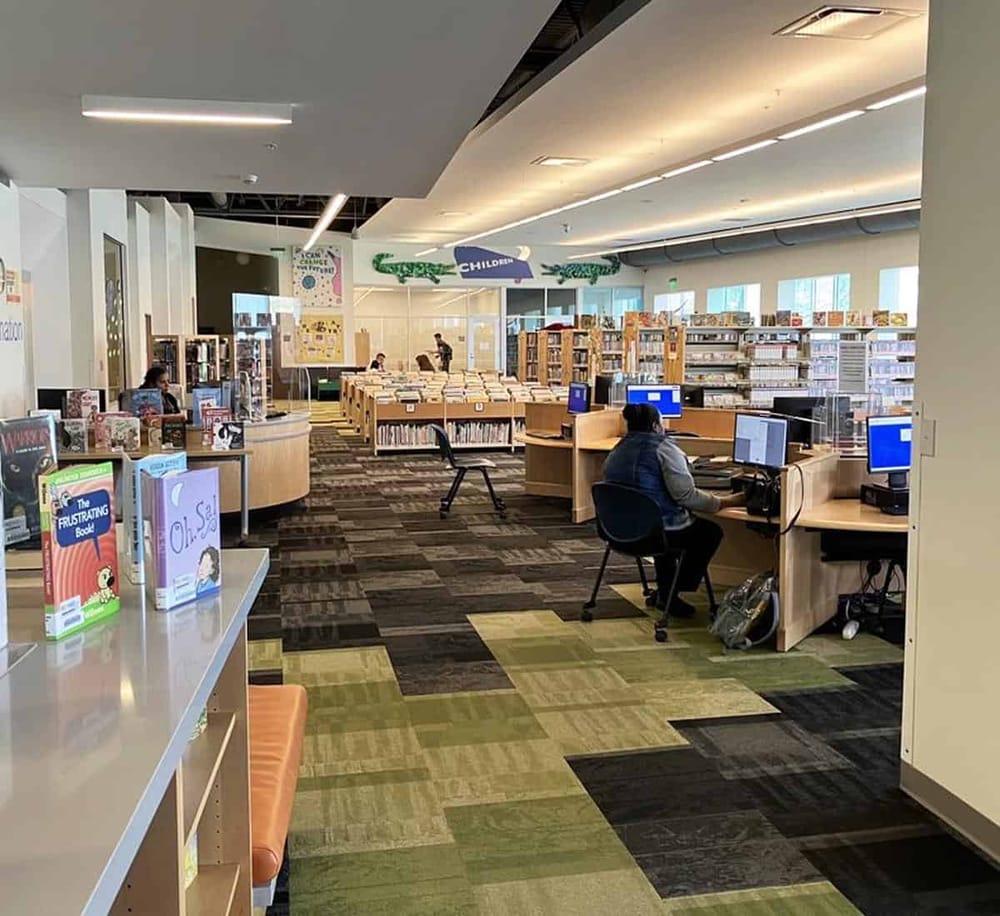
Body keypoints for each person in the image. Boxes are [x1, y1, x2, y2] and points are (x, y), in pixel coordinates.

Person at [603, 402, 745, 618]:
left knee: (662, 524)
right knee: (708, 532)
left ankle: (665, 592)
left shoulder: (617, 449)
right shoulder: (664, 449)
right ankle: (671, 592)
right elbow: (686, 496)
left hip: (618, 531)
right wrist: (727, 501)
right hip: (653, 533)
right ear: (655, 426)